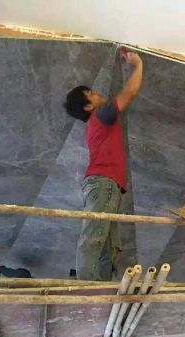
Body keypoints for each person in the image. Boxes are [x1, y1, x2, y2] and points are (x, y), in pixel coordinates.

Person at [64, 51, 143, 281]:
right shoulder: (100, 115)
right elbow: (129, 92)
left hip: (105, 185)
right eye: (92, 94)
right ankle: (86, 289)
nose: (99, 94)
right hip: (104, 183)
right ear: (88, 107)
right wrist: (138, 64)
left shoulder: (94, 125)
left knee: (107, 246)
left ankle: (101, 286)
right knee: (93, 238)